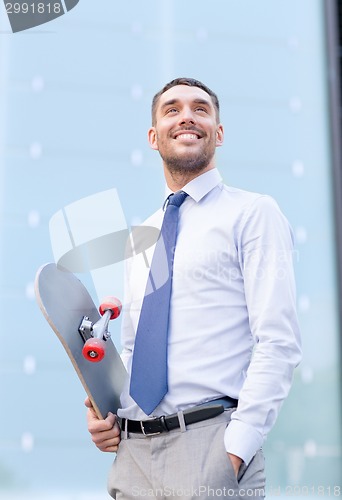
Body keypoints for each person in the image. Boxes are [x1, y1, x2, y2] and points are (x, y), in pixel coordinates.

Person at [85, 77, 302, 499]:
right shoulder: (140, 236)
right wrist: (107, 415)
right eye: (172, 110)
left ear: (218, 133)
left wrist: (235, 451)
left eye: (200, 109)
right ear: (154, 136)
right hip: (132, 457)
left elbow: (278, 341)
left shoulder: (254, 214)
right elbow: (133, 349)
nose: (187, 116)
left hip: (210, 447)